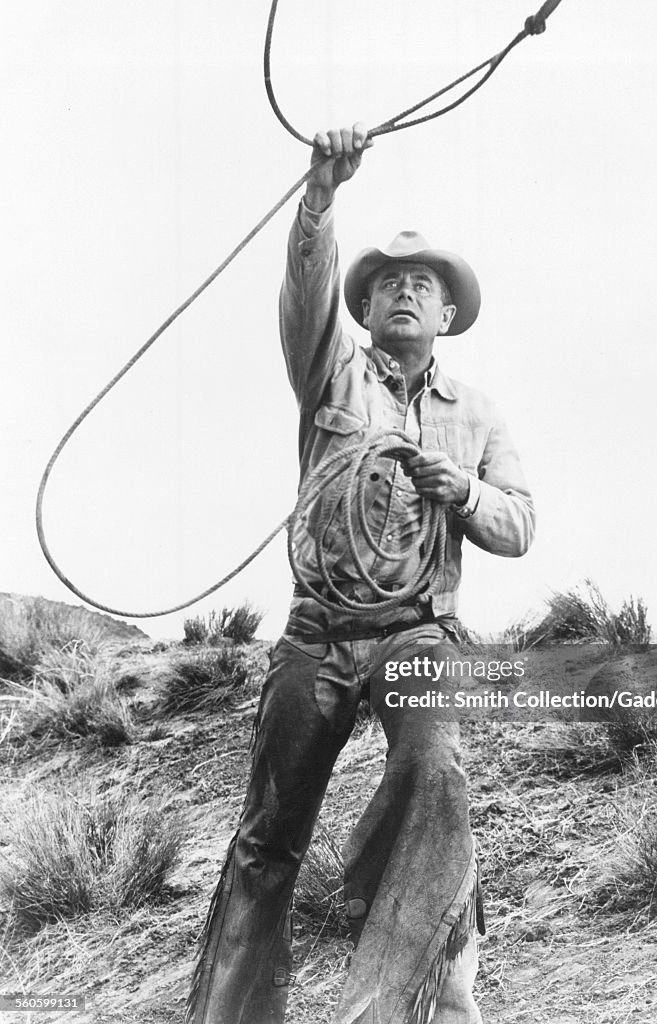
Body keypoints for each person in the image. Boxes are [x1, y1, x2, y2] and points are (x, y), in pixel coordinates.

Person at [186, 123, 535, 1024]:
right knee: (269, 835)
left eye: (423, 285)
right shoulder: (331, 372)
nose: (407, 293)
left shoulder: (482, 415)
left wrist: (460, 490)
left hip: (422, 629)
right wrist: (319, 201)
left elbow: (521, 525)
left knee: (436, 773)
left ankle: (430, 1004)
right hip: (318, 630)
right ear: (367, 308)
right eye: (388, 285)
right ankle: (231, 1016)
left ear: (447, 315)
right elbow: (306, 301)